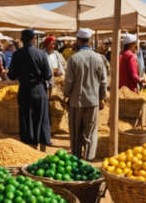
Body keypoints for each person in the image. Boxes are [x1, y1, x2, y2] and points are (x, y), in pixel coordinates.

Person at [63, 28, 107, 161]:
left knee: (76, 131)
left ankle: (76, 157)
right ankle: (89, 158)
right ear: (90, 41)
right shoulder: (99, 59)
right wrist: (102, 98)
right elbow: (104, 82)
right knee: (91, 131)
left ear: (77, 40)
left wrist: (66, 95)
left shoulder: (73, 59)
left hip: (76, 101)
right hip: (93, 101)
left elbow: (69, 81)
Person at [6, 29, 53, 147]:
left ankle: (28, 145)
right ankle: (41, 144)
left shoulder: (17, 54)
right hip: (39, 89)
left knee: (26, 119)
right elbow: (47, 75)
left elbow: (11, 75)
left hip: (24, 90)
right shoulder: (40, 53)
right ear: (34, 39)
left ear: (22, 40)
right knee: (41, 118)